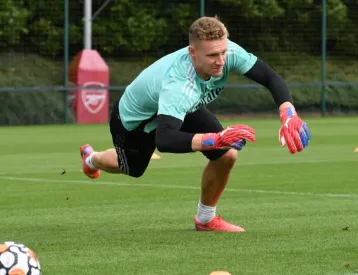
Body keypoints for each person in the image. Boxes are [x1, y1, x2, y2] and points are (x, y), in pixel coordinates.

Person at [79, 16, 311, 232]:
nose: (221, 61)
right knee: (131, 168)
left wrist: (288, 113)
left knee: (226, 155)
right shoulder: (178, 85)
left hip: (182, 107)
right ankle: (91, 159)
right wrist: (216, 139)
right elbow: (165, 139)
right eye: (212, 56)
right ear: (192, 52)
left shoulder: (229, 53)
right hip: (135, 120)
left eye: (223, 52)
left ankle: (205, 219)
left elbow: (271, 78)